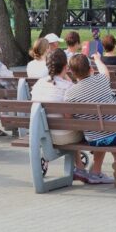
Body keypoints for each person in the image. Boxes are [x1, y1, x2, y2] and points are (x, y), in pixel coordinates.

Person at [66, 53, 116, 188]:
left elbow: (69, 117)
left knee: (104, 127)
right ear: (91, 69)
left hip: (94, 139)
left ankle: (113, 167)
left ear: (72, 72)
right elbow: (104, 70)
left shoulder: (69, 94)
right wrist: (97, 59)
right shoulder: (101, 80)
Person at [31, 49, 88, 182]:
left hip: (42, 135)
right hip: (63, 137)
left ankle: (79, 167)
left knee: (69, 127)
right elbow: (69, 117)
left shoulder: (38, 84)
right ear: (66, 66)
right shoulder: (68, 87)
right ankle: (80, 168)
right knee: (75, 127)